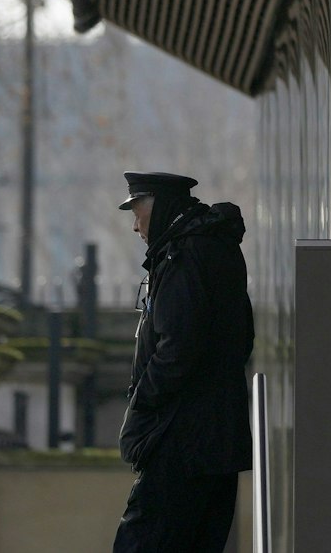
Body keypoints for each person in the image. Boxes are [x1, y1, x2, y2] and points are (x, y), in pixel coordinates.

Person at [113, 171, 255, 553]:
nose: (135, 225)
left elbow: (177, 349)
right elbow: (240, 338)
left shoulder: (184, 254)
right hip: (215, 442)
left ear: (157, 206)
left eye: (137, 210)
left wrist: (143, 405)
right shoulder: (215, 247)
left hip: (182, 441)